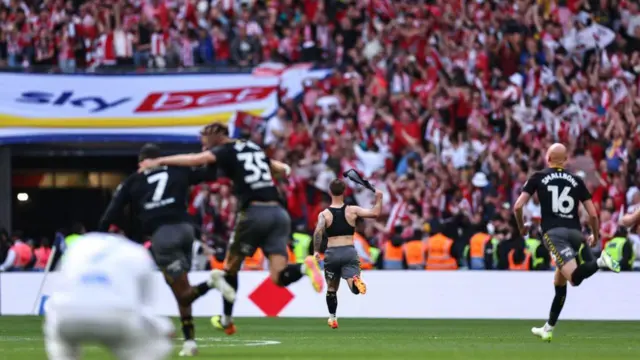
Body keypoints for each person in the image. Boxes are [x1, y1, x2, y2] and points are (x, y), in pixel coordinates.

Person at [138, 123, 324, 336]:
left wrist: (159, 161)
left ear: (217, 136)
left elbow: (196, 160)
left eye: (205, 138)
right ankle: (304, 267)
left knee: (230, 268)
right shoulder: (253, 147)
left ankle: (227, 319)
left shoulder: (225, 150)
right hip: (278, 214)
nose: (203, 144)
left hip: (254, 213)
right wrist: (282, 168)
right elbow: (279, 168)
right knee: (278, 277)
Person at [98, 143, 235, 356]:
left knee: (183, 293)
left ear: (142, 162)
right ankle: (190, 342)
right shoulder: (176, 169)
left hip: (163, 236)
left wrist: (100, 240)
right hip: (186, 230)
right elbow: (210, 173)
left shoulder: (134, 180)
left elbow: (111, 214)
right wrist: (204, 153)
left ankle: (212, 281)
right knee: (182, 289)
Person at [513, 143, 620, 342]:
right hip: (575, 233)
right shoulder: (576, 180)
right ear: (565, 159)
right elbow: (594, 214)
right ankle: (548, 327)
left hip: (554, 235)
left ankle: (600, 261)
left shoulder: (538, 176)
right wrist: (595, 236)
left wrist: (521, 228)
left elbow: (518, 206)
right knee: (559, 281)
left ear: (548, 158)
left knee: (574, 278)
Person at [44, 232, 174, 360]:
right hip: (117, 313)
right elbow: (145, 305)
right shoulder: (136, 251)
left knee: (57, 336)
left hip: (67, 314)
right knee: (157, 338)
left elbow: (58, 287)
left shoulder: (79, 246)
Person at [313, 178, 383, 329]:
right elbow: (375, 213)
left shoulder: (324, 214)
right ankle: (355, 281)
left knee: (331, 288)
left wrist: (316, 251)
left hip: (332, 253)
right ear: (344, 192)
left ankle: (333, 318)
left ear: (330, 192)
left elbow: (318, 232)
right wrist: (379, 198)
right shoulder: (352, 210)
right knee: (353, 286)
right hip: (349, 251)